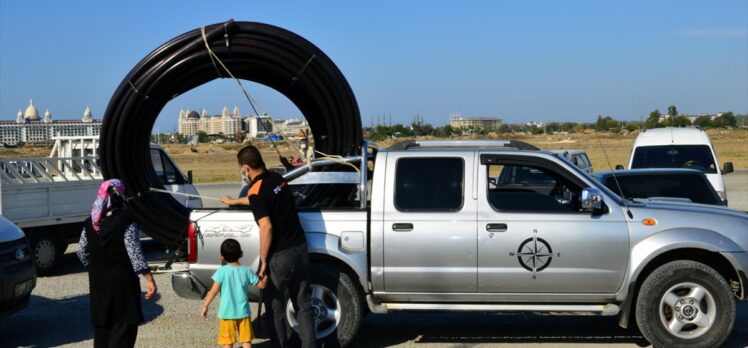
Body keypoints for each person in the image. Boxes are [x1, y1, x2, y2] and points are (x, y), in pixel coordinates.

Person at [237, 145, 316, 348]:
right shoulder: (278, 179)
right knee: (303, 304)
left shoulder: (256, 191)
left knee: (275, 307)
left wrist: (263, 260)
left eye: (241, 169)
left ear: (246, 168)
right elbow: (263, 199)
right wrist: (236, 200)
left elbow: (266, 226)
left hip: (280, 256)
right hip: (300, 248)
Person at [77, 179, 157, 348]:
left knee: (102, 333)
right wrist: (149, 279)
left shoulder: (90, 223)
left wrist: (96, 267)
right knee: (123, 332)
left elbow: (81, 251)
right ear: (121, 195)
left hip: (99, 285)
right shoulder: (127, 220)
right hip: (123, 286)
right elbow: (133, 250)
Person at [201, 238, 268, 348]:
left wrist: (205, 305)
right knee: (246, 341)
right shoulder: (246, 271)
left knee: (228, 342)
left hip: (227, 313)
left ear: (221, 257)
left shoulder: (221, 271)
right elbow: (262, 285)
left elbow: (214, 290)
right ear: (241, 254)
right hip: (243, 312)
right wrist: (266, 276)